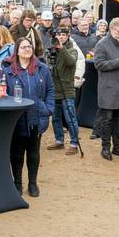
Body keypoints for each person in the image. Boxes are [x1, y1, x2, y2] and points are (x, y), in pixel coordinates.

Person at [1, 37, 54, 197]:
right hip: (16, 118)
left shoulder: (42, 69)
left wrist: (48, 108)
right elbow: (3, 93)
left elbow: (51, 89)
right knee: (16, 153)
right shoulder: (7, 71)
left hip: (37, 116)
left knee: (33, 151)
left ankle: (33, 183)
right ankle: (17, 183)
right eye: (23, 47)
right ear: (16, 51)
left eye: (29, 46)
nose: (27, 49)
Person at [92, 17, 119, 161]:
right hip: (108, 89)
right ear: (112, 29)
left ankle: (118, 147)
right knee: (107, 120)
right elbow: (98, 64)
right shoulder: (102, 44)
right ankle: (105, 147)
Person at [45, 27, 80, 155]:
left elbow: (71, 62)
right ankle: (59, 141)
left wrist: (61, 49)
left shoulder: (72, 50)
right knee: (55, 118)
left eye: (63, 35)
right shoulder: (51, 51)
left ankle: (74, 143)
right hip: (54, 89)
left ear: (68, 36)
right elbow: (48, 68)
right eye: (58, 35)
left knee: (70, 117)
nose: (60, 37)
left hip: (67, 89)